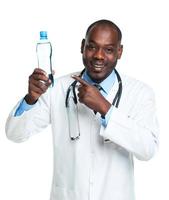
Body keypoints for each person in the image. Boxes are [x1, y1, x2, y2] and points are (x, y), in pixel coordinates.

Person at [5, 19, 159, 200]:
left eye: (108, 49)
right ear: (82, 46)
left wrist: (105, 108)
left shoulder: (140, 93)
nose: (99, 56)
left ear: (119, 51)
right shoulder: (57, 88)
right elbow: (14, 134)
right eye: (92, 47)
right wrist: (31, 99)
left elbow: (148, 149)